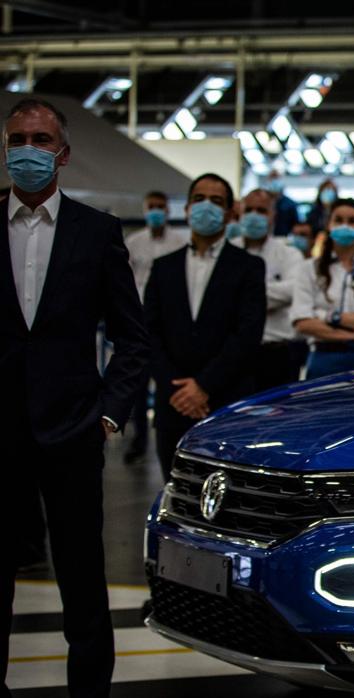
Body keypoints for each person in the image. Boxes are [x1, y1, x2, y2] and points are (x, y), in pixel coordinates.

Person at [1, 97, 150, 697]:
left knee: (82, 579)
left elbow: (131, 339)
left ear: (62, 153)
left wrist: (110, 414)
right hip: (1, 433)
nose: (28, 151)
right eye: (18, 140)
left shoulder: (97, 231)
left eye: (40, 141)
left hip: (73, 430)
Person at [144, 173, 265, 480]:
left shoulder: (248, 266)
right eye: (198, 199)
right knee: (175, 489)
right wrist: (177, 388)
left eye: (216, 201)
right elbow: (150, 332)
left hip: (226, 400)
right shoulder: (163, 267)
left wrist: (204, 386)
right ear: (186, 209)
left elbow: (247, 334)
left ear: (228, 213)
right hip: (173, 402)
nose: (205, 207)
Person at [292, 198, 354, 380]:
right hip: (324, 357)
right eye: (338, 220)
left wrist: (328, 316)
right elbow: (303, 323)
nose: (345, 226)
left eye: (352, 221)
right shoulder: (309, 269)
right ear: (329, 225)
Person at [122, 190, 190, 463]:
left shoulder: (180, 242)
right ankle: (139, 440)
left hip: (168, 322)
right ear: (144, 208)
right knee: (137, 387)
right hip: (139, 321)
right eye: (152, 206)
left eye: (161, 207)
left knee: (167, 381)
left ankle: (175, 441)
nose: (156, 211)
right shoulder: (134, 242)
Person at [235, 188, 307, 392]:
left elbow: (292, 290)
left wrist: (240, 296)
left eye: (261, 210)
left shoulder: (289, 254)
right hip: (234, 354)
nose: (254, 216)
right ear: (240, 213)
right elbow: (218, 297)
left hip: (278, 353)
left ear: (272, 216)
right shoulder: (227, 252)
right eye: (249, 210)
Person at [261, 172, 299, 237]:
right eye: (272, 179)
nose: (274, 181)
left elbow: (295, 225)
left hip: (283, 238)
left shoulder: (290, 204)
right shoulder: (261, 202)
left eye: (276, 179)